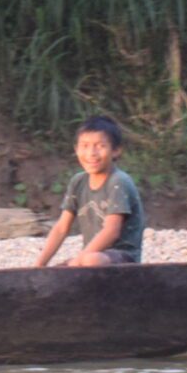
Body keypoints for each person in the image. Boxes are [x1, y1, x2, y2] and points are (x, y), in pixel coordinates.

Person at [34, 114, 146, 267]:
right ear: (76, 149)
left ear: (116, 151)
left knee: (90, 260)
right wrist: (39, 265)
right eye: (85, 146)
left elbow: (112, 231)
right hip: (92, 255)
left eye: (100, 146)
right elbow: (61, 228)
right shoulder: (78, 182)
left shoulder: (118, 181)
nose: (91, 153)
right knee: (57, 273)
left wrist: (79, 260)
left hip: (122, 257)